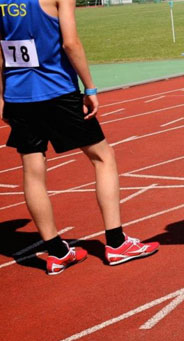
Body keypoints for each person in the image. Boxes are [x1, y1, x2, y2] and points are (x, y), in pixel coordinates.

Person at [1, 0, 159, 275]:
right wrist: (90, 86)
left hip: (19, 96)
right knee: (103, 157)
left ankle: (57, 251)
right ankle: (116, 243)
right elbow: (70, 43)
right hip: (57, 92)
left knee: (32, 170)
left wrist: (2, 96)